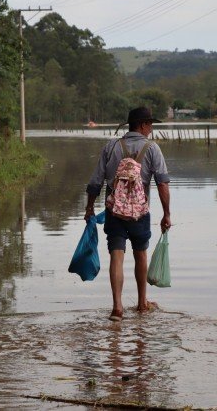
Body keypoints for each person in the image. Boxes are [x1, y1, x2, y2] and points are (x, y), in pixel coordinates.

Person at [85, 106, 172, 322]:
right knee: (140, 253)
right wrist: (166, 213)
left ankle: (117, 307)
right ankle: (142, 303)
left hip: (114, 211)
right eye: (150, 124)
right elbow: (162, 183)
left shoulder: (111, 146)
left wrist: (89, 208)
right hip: (140, 213)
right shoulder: (152, 149)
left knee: (117, 255)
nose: (151, 128)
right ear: (142, 125)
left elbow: (95, 181)